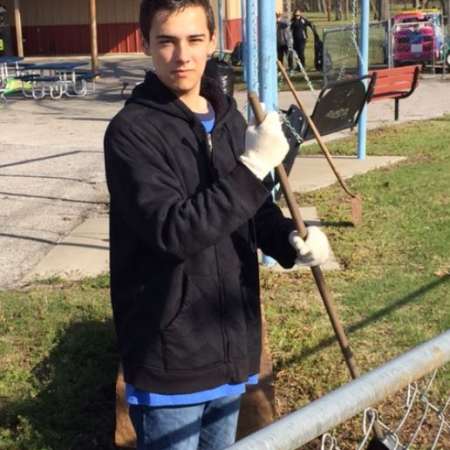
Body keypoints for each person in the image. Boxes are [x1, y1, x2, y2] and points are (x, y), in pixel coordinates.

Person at [104, 1, 331, 449]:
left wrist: (289, 239)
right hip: (171, 352)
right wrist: (253, 167)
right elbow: (175, 231)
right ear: (146, 43)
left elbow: (251, 209)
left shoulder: (228, 119)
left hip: (229, 342)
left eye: (193, 40)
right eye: (166, 41)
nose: (181, 56)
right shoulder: (131, 133)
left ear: (213, 41)